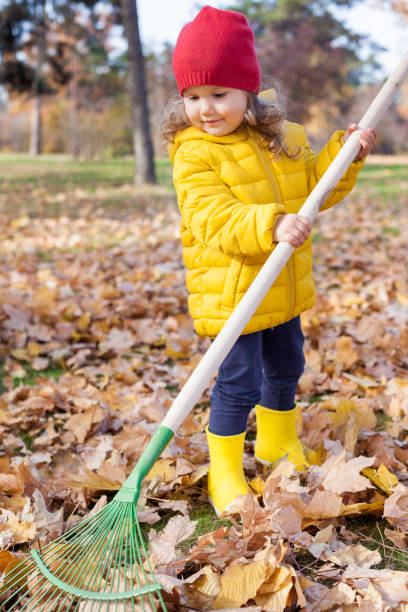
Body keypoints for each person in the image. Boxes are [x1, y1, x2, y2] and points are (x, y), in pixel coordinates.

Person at [162, 5, 377, 515]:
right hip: (234, 291)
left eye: (218, 94)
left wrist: (345, 155)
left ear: (248, 90)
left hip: (282, 282)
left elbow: (314, 193)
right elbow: (212, 215)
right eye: (192, 97)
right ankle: (226, 471)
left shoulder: (287, 139)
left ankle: (278, 442)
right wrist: (271, 224)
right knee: (238, 381)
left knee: (287, 365)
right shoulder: (194, 153)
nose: (205, 109)